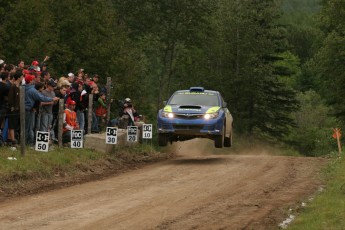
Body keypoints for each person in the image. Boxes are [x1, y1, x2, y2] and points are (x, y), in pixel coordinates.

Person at [24, 75, 59, 145]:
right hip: (41, 112)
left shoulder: (53, 93)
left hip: (49, 112)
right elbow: (41, 100)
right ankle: (37, 142)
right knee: (36, 127)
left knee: (49, 127)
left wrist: (54, 102)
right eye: (52, 86)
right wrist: (51, 100)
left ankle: (46, 141)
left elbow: (53, 103)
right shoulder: (38, 91)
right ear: (48, 85)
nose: (53, 87)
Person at [7, 70, 23, 145]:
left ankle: (10, 139)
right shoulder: (13, 86)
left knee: (15, 125)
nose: (23, 78)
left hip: (18, 109)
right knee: (12, 125)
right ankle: (12, 141)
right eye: (22, 76)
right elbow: (10, 99)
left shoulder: (20, 87)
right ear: (19, 77)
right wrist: (12, 107)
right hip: (13, 109)